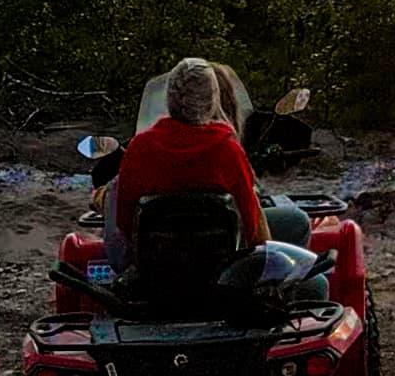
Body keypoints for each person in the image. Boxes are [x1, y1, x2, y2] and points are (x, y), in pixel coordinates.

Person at [100, 57, 269, 252]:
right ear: (212, 100)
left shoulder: (140, 148)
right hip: (220, 270)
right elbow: (252, 228)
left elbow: (124, 223)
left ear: (169, 98)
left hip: (156, 269)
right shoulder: (228, 151)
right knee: (296, 222)